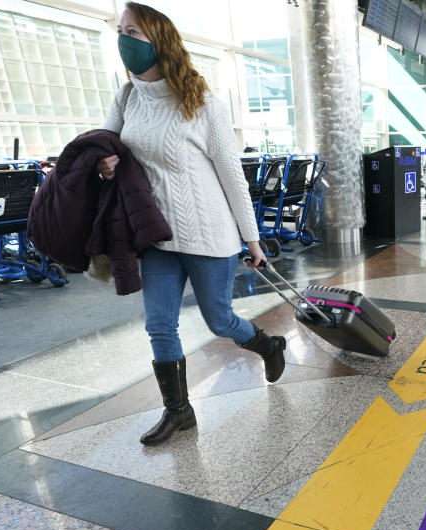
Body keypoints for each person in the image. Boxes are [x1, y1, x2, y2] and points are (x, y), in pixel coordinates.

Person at [99, 2, 286, 446]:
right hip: (157, 237)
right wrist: (103, 166)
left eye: (135, 33)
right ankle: (178, 412)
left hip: (209, 235)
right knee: (159, 324)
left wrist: (252, 239)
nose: (124, 39)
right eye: (121, 29)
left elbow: (232, 178)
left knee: (219, 320)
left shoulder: (202, 104)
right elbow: (105, 147)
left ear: (159, 43)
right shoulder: (125, 99)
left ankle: (267, 345)